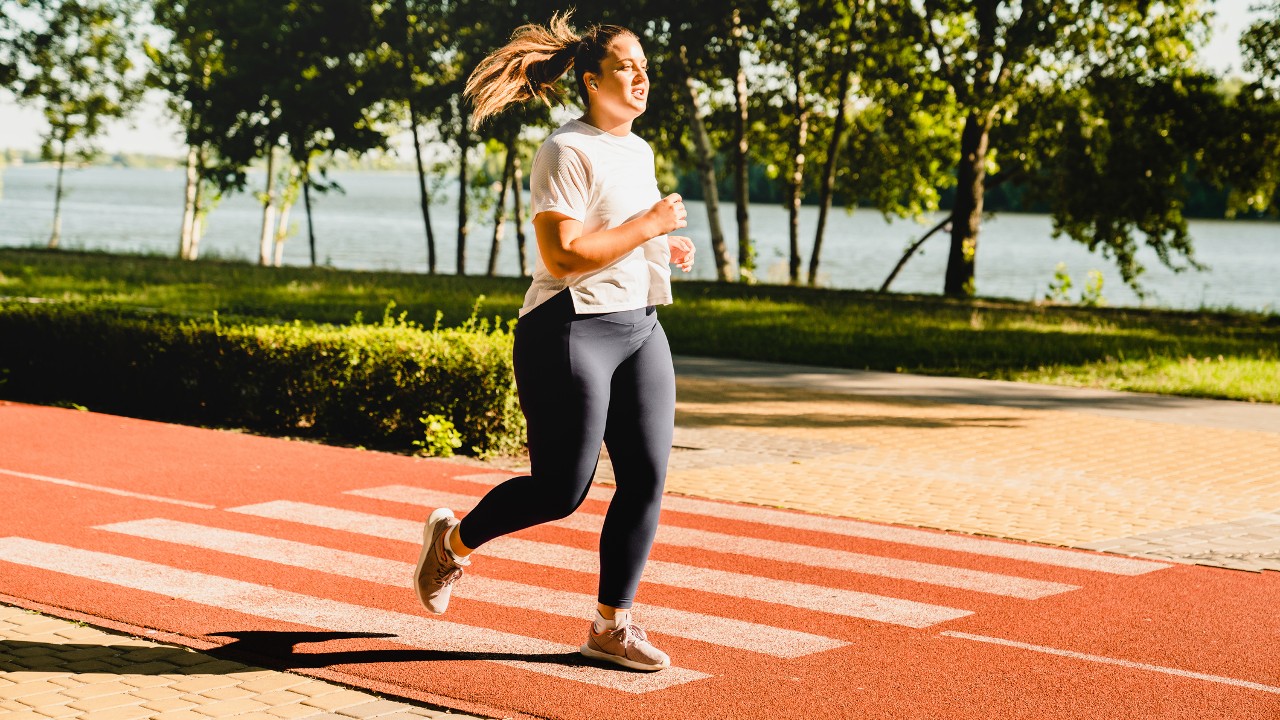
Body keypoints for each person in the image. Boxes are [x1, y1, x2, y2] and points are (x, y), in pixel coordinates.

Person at [412, 12, 695, 673]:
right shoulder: (565, 151)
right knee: (562, 490)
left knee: (647, 478)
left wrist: (658, 241)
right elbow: (563, 256)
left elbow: (614, 235)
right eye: (628, 67)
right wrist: (649, 222)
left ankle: (610, 626)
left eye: (646, 66)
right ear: (592, 81)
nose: (642, 77)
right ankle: (453, 542)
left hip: (641, 324)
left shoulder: (639, 150)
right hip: (570, 326)